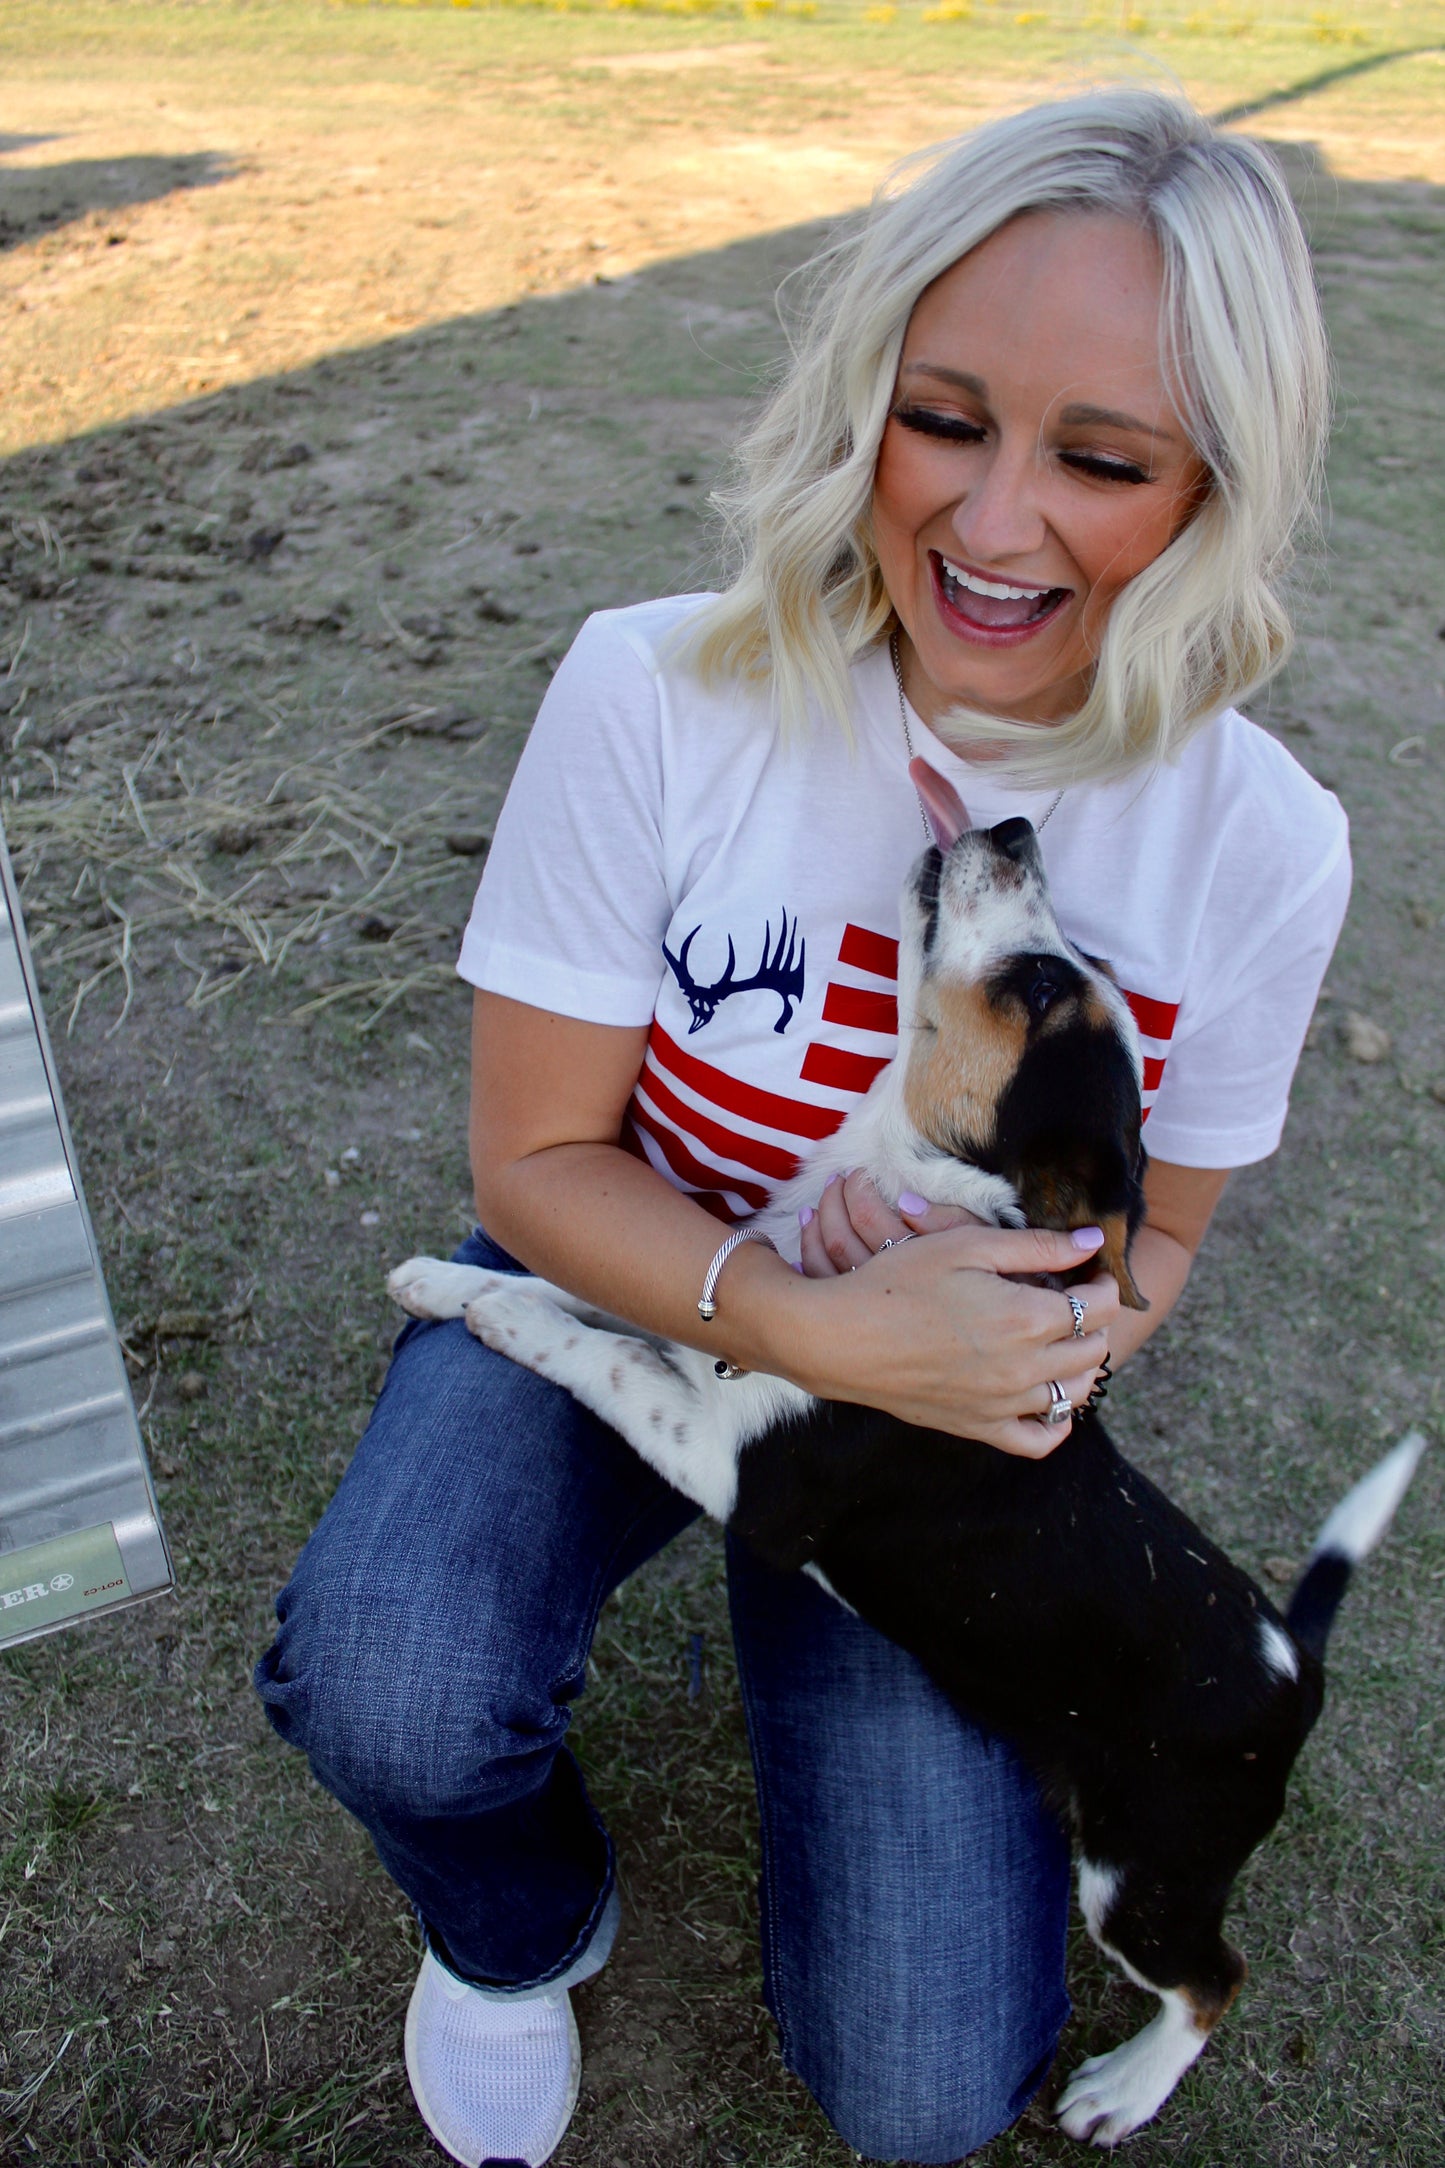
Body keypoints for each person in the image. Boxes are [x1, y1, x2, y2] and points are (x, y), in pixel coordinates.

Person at [255, 89, 1350, 2167]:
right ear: (863, 400)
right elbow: (532, 1166)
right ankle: (513, 1924)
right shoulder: (654, 689)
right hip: (629, 1249)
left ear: (1217, 486)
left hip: (927, 1442)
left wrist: (1023, 1341)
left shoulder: (1268, 843)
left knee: (927, 2096)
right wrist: (794, 1318)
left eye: (1104, 460)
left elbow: (1162, 1248)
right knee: (392, 1672)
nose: (998, 523)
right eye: (945, 419)